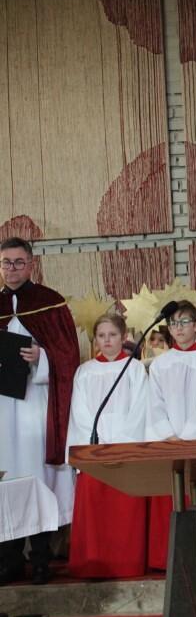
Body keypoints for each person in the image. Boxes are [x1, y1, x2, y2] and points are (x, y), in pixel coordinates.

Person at [0, 237, 79, 585]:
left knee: (36, 476)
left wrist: (41, 357)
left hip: (37, 404)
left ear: (31, 264)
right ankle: (10, 560)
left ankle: (41, 558)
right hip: (3, 410)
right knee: (7, 478)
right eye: (6, 262)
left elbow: (68, 355)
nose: (12, 269)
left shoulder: (50, 302)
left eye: (19, 262)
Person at [66, 313, 148, 578]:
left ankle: (127, 564)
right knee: (95, 514)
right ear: (95, 340)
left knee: (124, 514)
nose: (107, 340)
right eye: (101, 336)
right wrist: (97, 443)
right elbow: (79, 412)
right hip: (95, 453)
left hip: (125, 451)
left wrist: (120, 443)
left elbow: (140, 410)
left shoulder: (134, 369)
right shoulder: (85, 371)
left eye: (112, 335)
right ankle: (93, 564)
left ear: (123, 337)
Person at [145, 301, 196, 569]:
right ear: (168, 328)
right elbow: (154, 404)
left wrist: (189, 435)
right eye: (174, 323)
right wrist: (168, 435)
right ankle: (168, 559)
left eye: (185, 322)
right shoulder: (160, 364)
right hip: (169, 443)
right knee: (171, 498)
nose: (179, 328)